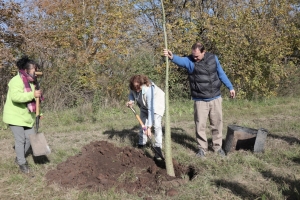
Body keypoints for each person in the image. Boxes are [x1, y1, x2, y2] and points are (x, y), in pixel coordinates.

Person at [163, 42, 235, 158]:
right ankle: (202, 149)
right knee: (200, 125)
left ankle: (217, 147)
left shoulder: (213, 58)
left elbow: (221, 73)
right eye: (193, 55)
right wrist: (172, 57)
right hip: (200, 100)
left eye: (197, 55)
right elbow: (181, 61)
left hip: (215, 98)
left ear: (203, 52)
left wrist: (230, 87)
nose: (194, 57)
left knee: (217, 124)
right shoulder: (190, 61)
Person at [3, 56, 41, 173]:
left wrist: (40, 112)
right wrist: (32, 95)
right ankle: (22, 163)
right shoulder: (16, 81)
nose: (36, 71)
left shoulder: (32, 82)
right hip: (14, 116)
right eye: (34, 69)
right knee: (20, 140)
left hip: (26, 117)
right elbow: (16, 97)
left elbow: (34, 101)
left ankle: (19, 157)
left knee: (30, 138)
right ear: (26, 70)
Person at [126, 74, 165, 160]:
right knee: (142, 124)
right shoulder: (133, 87)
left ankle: (158, 148)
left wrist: (149, 127)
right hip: (144, 106)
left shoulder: (148, 89)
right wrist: (131, 101)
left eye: (138, 87)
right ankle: (142, 144)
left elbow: (151, 108)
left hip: (156, 104)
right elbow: (131, 94)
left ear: (142, 83)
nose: (136, 89)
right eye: (134, 87)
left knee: (157, 125)